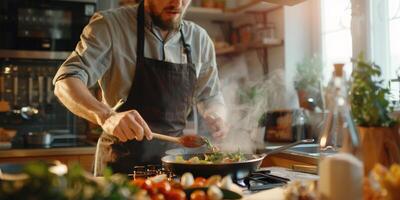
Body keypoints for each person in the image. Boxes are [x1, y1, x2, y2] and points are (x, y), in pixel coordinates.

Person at [53, 0, 227, 176]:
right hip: (119, 165)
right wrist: (106, 116)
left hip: (174, 166)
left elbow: (210, 96)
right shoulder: (110, 26)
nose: (177, 3)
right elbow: (65, 80)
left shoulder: (200, 39)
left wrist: (217, 116)